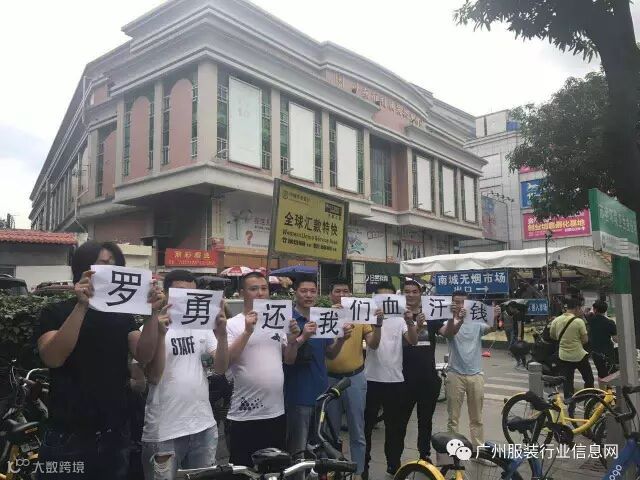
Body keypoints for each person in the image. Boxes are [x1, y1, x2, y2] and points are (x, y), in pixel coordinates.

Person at [36, 241, 164, 480]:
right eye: (103, 263)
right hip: (68, 436)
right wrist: (82, 306)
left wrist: (153, 314)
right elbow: (53, 358)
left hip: (114, 435)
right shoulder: (55, 312)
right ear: (83, 268)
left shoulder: (121, 316)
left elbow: (144, 355)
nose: (110, 269)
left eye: (115, 265)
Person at [140, 269, 228, 480]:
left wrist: (222, 334)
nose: (186, 298)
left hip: (203, 426)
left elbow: (220, 368)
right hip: (165, 432)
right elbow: (153, 376)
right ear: (166, 294)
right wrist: (161, 334)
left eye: (192, 293)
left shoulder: (201, 327)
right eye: (180, 292)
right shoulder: (150, 327)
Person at [225, 272, 301, 467]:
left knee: (274, 469)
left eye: (264, 288)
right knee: (243, 469)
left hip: (275, 411)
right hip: (244, 413)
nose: (260, 293)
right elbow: (226, 361)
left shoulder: (277, 321)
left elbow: (289, 359)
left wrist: (293, 341)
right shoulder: (232, 324)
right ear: (242, 293)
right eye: (253, 289)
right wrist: (247, 332)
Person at [284, 275, 352, 472]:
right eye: (304, 291)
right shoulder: (289, 321)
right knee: (298, 451)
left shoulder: (322, 318)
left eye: (312, 291)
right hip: (297, 395)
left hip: (321, 395)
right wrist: (303, 336)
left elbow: (330, 353)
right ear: (295, 293)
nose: (308, 295)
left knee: (319, 450)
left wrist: (341, 339)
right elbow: (287, 358)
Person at [398, 280, 462, 466]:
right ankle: (394, 460)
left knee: (425, 422)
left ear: (420, 294)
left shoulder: (431, 313)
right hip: (403, 378)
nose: (411, 295)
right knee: (399, 422)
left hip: (427, 378)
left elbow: (448, 332)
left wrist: (454, 318)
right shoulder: (397, 315)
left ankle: (424, 455)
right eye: (407, 291)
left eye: (414, 291)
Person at [326, 278, 383, 480]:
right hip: (329, 379)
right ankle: (333, 469)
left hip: (355, 378)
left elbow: (373, 344)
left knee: (357, 428)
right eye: (338, 291)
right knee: (330, 430)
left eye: (346, 291)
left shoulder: (360, 316)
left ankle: (358, 472)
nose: (342, 295)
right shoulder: (324, 315)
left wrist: (378, 325)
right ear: (330, 295)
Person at [363, 282, 418, 479]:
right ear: (375, 299)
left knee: (394, 428)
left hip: (395, 380)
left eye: (390, 297)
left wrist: (410, 322)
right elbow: (374, 345)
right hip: (371, 379)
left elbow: (413, 340)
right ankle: (364, 465)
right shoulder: (368, 317)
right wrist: (378, 323)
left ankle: (393, 464)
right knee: (366, 426)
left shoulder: (400, 318)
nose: (386, 302)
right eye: (381, 298)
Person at [445, 291, 496, 450]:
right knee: (453, 418)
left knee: (477, 418)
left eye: (463, 302)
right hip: (455, 374)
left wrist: (494, 316)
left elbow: (492, 328)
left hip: (476, 374)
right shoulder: (449, 322)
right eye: (456, 302)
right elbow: (450, 333)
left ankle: (478, 449)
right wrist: (457, 319)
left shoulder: (476, 322)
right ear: (452, 304)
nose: (460, 305)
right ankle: (452, 451)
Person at [550, 295, 594, 405]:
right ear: (576, 308)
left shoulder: (556, 320)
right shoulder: (579, 322)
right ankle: (588, 401)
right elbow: (585, 340)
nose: (581, 311)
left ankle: (570, 405)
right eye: (580, 309)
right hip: (579, 356)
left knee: (568, 382)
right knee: (589, 379)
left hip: (564, 356)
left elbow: (553, 336)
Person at [587, 300, 618, 385]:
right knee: (609, 373)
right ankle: (608, 390)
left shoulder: (590, 321)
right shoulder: (610, 322)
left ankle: (602, 390)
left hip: (595, 351)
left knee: (600, 373)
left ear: (595, 309)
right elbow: (615, 339)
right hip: (607, 352)